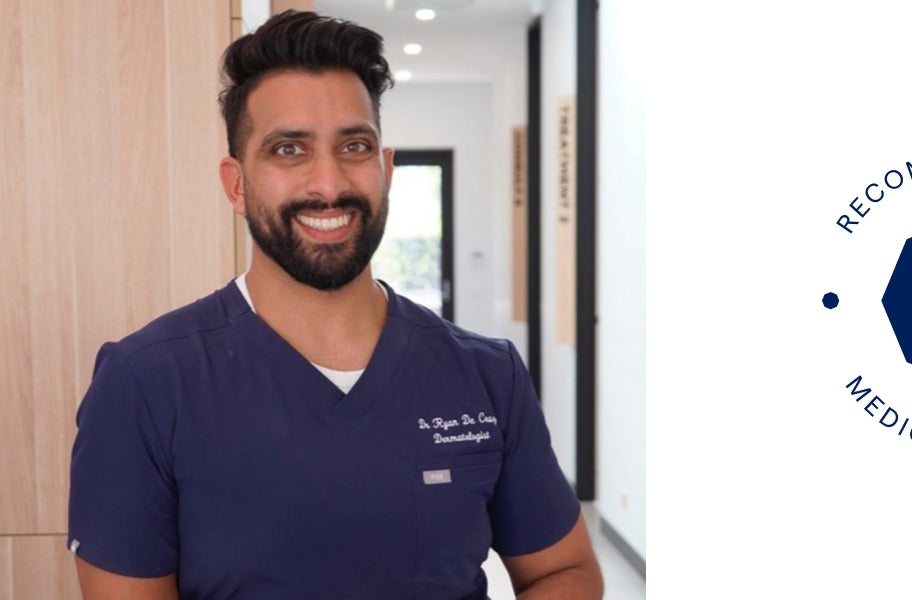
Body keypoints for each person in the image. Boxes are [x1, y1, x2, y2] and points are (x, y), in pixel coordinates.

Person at [67, 10, 602, 599]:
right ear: (237, 183)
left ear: (385, 168)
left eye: (354, 145)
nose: (328, 183)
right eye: (289, 149)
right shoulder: (145, 384)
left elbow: (566, 572)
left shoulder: (486, 375)